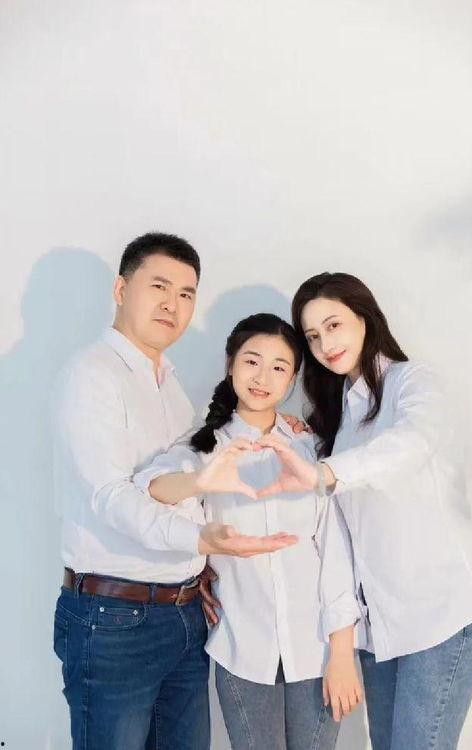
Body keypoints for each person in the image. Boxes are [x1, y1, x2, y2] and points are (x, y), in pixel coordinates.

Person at [51, 233, 298, 750]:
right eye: (159, 286)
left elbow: (192, 479)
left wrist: (276, 425)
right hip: (114, 618)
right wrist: (200, 540)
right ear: (121, 289)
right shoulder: (92, 375)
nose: (173, 304)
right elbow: (111, 497)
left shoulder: (170, 384)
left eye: (186, 293)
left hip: (183, 614)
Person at [248, 272, 472, 750]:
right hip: (379, 627)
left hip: (440, 615)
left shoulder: (412, 381)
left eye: (334, 325)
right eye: (312, 336)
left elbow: (412, 443)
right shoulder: (340, 418)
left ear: (365, 317)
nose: (325, 345)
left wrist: (325, 472)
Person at [133, 313, 365, 750]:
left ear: (292, 379)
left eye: (279, 367)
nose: (262, 377)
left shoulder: (310, 449)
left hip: (316, 650)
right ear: (230, 364)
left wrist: (341, 653)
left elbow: (336, 556)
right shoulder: (205, 447)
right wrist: (201, 482)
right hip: (241, 649)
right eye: (252, 361)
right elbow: (150, 488)